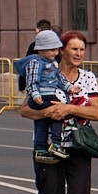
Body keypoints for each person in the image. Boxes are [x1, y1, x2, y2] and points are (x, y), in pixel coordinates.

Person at [24, 30, 98, 194]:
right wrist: (49, 113)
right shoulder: (46, 71)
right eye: (74, 49)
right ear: (62, 50)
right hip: (49, 146)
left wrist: (68, 108)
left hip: (79, 146)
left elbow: (97, 112)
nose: (79, 53)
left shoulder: (88, 78)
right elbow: (25, 109)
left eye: (82, 49)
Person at [20, 30, 72, 163]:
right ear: (41, 50)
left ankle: (40, 149)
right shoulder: (35, 62)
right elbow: (31, 80)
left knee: (41, 122)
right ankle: (56, 143)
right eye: (52, 50)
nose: (55, 53)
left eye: (56, 50)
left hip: (49, 95)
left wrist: (70, 88)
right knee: (57, 115)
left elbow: (59, 79)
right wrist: (35, 94)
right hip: (41, 97)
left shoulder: (53, 63)